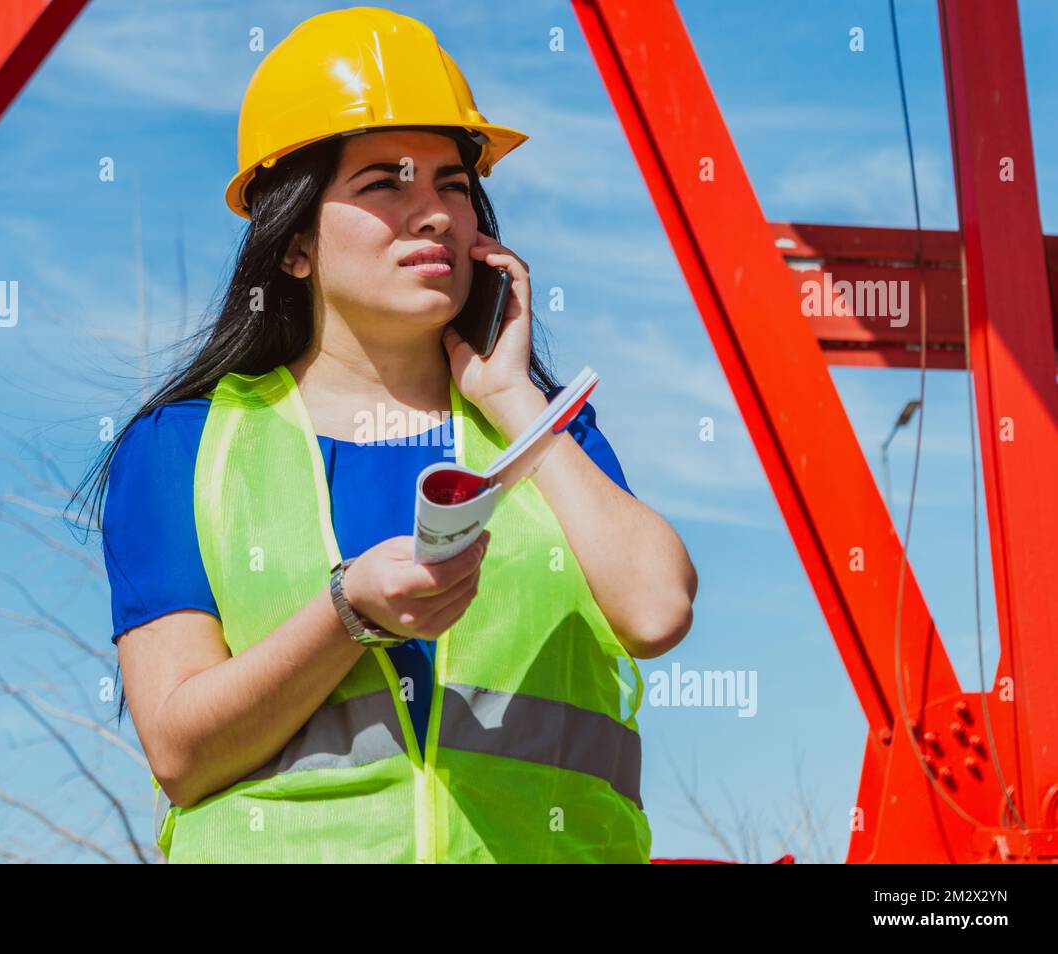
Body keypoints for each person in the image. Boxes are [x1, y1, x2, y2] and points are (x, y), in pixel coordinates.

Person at [75, 6, 697, 863]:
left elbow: (659, 610)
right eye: (384, 185)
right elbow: (180, 752)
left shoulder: (544, 433)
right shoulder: (185, 449)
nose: (434, 213)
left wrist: (514, 397)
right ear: (293, 243)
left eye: (452, 184)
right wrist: (346, 614)